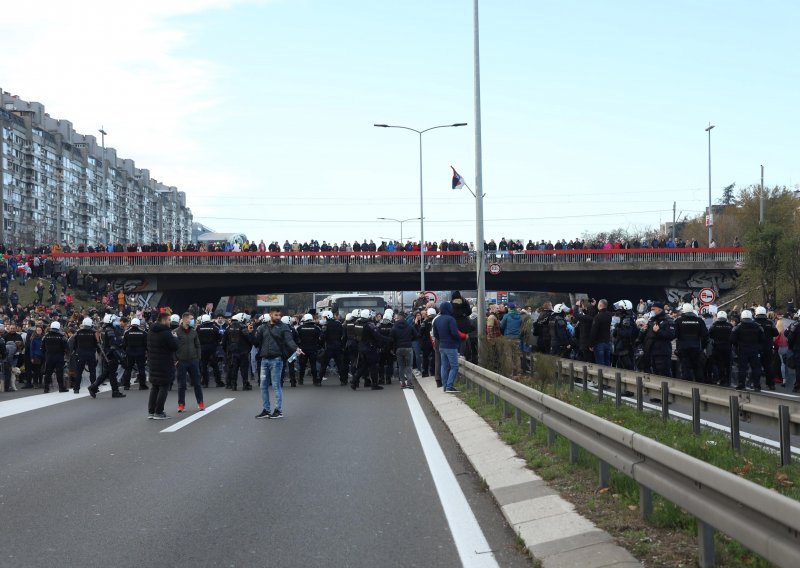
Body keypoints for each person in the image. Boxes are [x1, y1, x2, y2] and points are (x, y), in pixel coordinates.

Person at [250, 307, 301, 419]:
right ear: (270, 315)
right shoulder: (262, 327)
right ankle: (266, 410)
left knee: (276, 385)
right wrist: (251, 332)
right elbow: (255, 341)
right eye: (276, 315)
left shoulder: (284, 327)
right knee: (263, 386)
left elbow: (289, 340)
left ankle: (278, 410)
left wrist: (296, 348)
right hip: (264, 360)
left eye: (280, 315)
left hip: (277, 360)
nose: (278, 317)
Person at [147, 310, 179, 419]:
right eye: (169, 320)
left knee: (155, 386)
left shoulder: (151, 331)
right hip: (164, 363)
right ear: (164, 320)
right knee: (164, 387)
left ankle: (151, 411)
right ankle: (159, 412)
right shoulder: (166, 333)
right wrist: (175, 337)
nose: (170, 322)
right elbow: (174, 347)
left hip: (153, 362)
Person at [88, 314, 126, 399]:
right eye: (114, 321)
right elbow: (113, 346)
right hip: (110, 355)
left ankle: (93, 387)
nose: (116, 322)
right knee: (112, 374)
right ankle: (115, 391)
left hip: (107, 354)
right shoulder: (110, 330)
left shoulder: (105, 329)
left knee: (106, 373)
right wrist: (120, 358)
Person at [433, 301, 467, 393]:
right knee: (454, 366)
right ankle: (449, 386)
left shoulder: (437, 319)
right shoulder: (450, 319)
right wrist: (459, 340)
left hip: (441, 345)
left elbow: (435, 334)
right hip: (451, 346)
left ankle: (445, 386)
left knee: (444, 366)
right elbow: (454, 333)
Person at [175, 312, 204, 412]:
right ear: (184, 319)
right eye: (191, 319)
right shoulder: (176, 332)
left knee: (197, 383)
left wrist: (198, 358)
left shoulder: (193, 332)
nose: (192, 321)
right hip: (181, 361)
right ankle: (181, 404)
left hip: (193, 360)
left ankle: (200, 403)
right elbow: (172, 347)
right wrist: (175, 360)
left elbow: (198, 345)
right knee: (181, 384)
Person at [731, 310, 765, 391]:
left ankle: (741, 384)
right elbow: (763, 339)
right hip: (754, 350)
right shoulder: (757, 326)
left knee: (742, 368)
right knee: (756, 368)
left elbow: (732, 339)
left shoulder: (738, 327)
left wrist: (737, 345)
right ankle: (757, 386)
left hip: (742, 350)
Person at [674, 303, 709, 382]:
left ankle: (687, 388)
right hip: (696, 348)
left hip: (683, 348)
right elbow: (705, 335)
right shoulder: (699, 320)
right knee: (698, 368)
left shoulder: (679, 321)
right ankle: (699, 387)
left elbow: (674, 334)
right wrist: (702, 346)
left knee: (685, 367)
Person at [642, 301, 675, 376]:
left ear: (660, 310)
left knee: (664, 373)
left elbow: (671, 335)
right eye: (651, 309)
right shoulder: (652, 320)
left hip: (662, 352)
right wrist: (643, 330)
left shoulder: (667, 320)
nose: (652, 311)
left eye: (654, 309)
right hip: (652, 352)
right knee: (655, 373)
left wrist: (659, 331)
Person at [222, 313, 252, 391]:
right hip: (243, 352)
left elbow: (224, 341)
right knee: (244, 369)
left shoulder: (229, 328)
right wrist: (248, 348)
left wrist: (227, 350)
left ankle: (233, 385)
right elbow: (249, 339)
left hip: (232, 352)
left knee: (233, 368)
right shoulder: (244, 328)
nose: (246, 321)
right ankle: (245, 384)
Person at [753, 306, 780, 391]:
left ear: (756, 313)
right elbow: (776, 333)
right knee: (768, 366)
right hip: (768, 347)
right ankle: (771, 384)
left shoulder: (753, 322)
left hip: (757, 348)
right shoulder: (770, 322)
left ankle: (757, 385)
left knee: (757, 367)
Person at [72, 317, 100, 392]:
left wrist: (77, 351)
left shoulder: (78, 332)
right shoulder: (93, 333)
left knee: (79, 372)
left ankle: (76, 388)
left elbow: (74, 344)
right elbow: (97, 344)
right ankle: (94, 387)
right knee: (92, 371)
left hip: (80, 354)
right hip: (91, 354)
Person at [319, 311, 346, 385]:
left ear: (327, 317)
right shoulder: (338, 324)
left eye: (324, 317)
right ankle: (343, 381)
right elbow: (342, 335)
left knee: (324, 364)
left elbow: (322, 337)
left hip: (329, 347)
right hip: (338, 346)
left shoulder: (326, 325)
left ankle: (319, 380)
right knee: (340, 364)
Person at [197, 314, 224, 387]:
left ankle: (205, 382)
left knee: (203, 366)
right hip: (212, 349)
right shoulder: (215, 328)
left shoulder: (199, 328)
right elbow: (220, 338)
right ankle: (218, 382)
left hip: (202, 349)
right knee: (215, 366)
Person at [296, 313, 323, 386]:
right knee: (313, 365)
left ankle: (300, 380)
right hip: (313, 349)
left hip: (303, 349)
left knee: (302, 365)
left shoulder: (300, 328)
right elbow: (321, 338)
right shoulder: (316, 328)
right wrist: (318, 346)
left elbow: (296, 338)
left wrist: (298, 347)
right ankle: (315, 381)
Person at [42, 321, 69, 393]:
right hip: (59, 357)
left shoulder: (46, 336)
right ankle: (61, 388)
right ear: (58, 327)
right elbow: (66, 348)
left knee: (48, 373)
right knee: (59, 373)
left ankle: (46, 388)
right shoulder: (62, 337)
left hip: (49, 357)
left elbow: (42, 348)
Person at [121, 317, 148, 390]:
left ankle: (126, 385)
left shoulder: (127, 333)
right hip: (140, 353)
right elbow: (146, 344)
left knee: (128, 369)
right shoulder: (143, 333)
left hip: (129, 353)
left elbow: (124, 344)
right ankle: (142, 385)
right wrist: (146, 352)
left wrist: (125, 351)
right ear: (138, 324)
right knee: (141, 369)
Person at [708, 311, 733, 386]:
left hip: (717, 347)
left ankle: (722, 380)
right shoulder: (730, 325)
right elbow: (733, 336)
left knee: (720, 364)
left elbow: (710, 335)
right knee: (728, 364)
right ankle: (728, 380)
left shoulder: (714, 325)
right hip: (728, 347)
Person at [589, 299, 613, 366]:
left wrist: (591, 344)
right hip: (607, 342)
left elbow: (594, 331)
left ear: (600, 305)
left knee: (600, 365)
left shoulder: (597, 317)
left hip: (599, 343)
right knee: (607, 363)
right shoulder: (609, 315)